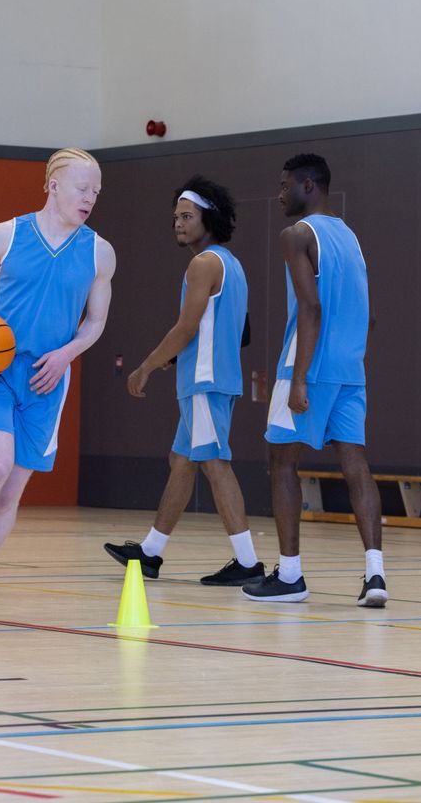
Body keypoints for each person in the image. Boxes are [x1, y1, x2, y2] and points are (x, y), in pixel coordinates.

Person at [0, 147, 115, 620]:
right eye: (82, 188)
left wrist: (67, 352)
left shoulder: (99, 252)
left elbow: (94, 324)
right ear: (53, 185)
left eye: (96, 191)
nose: (90, 197)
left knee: (11, 492)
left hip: (48, 378)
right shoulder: (7, 234)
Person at [242, 153, 387, 607]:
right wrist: (350, 360)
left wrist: (301, 377)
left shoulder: (296, 235)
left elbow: (310, 308)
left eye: (285, 185)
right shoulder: (350, 237)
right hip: (350, 369)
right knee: (356, 464)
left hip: (307, 366)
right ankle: (375, 574)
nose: (280, 193)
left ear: (308, 185)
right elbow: (372, 317)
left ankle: (290, 576)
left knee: (281, 461)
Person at [104, 175, 262, 586]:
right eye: (175, 216)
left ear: (208, 218)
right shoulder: (232, 264)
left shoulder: (203, 263)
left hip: (205, 382)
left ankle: (248, 563)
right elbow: (239, 331)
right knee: (181, 462)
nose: (178, 223)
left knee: (214, 463)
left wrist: (146, 366)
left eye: (187, 216)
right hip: (212, 377)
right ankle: (151, 552)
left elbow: (185, 327)